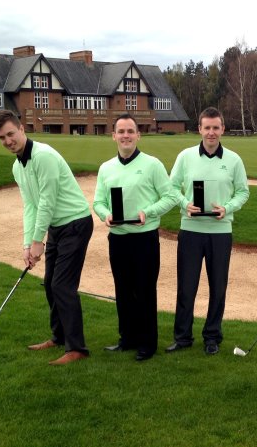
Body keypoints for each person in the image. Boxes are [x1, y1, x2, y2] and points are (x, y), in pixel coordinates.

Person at [0, 110, 93, 366]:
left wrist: (38, 241)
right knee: (49, 284)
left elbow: (47, 200)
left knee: (62, 285)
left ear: (22, 129)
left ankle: (76, 348)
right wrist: (28, 243)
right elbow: (31, 206)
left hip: (76, 223)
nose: (8, 141)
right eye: (2, 138)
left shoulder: (43, 156)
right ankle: (59, 337)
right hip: (57, 227)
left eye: (10, 134)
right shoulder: (17, 166)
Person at [166, 107, 250, 356]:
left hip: (220, 231)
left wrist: (229, 207)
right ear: (199, 129)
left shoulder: (234, 160)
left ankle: (212, 336)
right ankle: (182, 337)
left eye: (216, 127)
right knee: (187, 285)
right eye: (207, 127)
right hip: (190, 230)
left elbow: (243, 192)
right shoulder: (185, 156)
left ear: (223, 129)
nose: (211, 132)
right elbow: (171, 188)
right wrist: (184, 204)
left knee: (218, 286)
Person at [93, 114, 177, 361]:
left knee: (144, 291)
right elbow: (98, 201)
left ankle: (147, 344)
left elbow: (170, 197)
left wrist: (148, 212)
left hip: (144, 239)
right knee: (123, 290)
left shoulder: (152, 165)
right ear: (114, 136)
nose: (126, 135)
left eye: (131, 131)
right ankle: (127, 339)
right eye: (121, 131)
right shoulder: (106, 168)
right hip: (117, 239)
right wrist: (106, 215)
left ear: (138, 135)